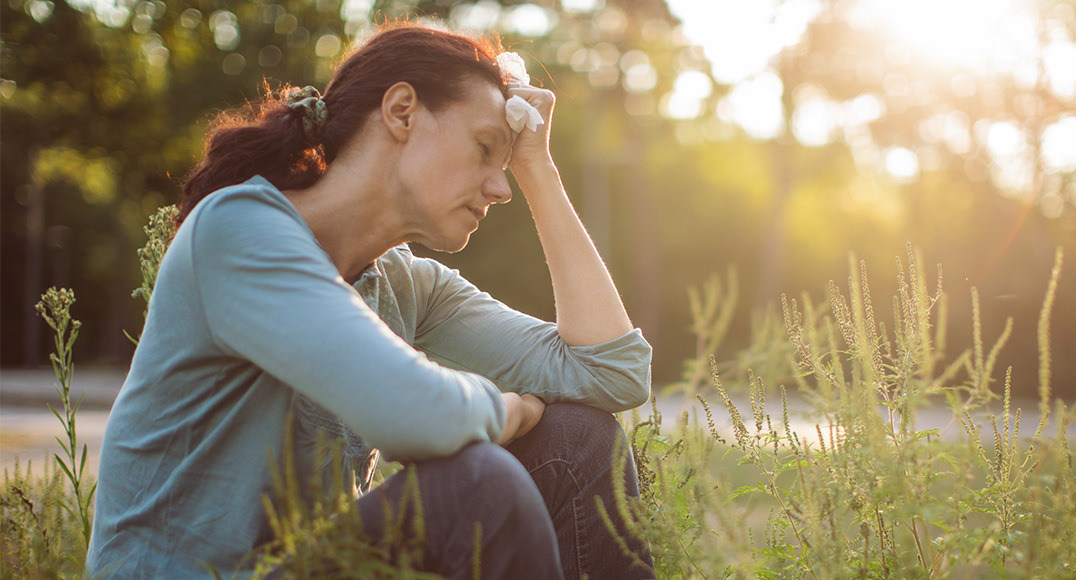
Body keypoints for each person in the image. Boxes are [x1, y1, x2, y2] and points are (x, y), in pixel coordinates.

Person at [86, 21, 655, 579]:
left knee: (580, 441)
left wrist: (539, 167)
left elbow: (612, 371)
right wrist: (518, 409)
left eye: (507, 168)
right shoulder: (237, 230)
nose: (501, 188)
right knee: (479, 485)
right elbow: (416, 416)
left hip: (310, 566)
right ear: (401, 111)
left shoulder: (407, 286)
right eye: (485, 149)